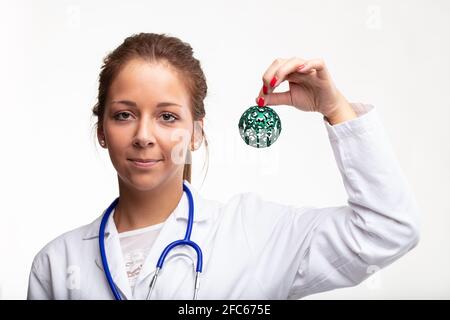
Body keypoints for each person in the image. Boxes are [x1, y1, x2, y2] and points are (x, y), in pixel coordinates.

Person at [27, 33, 420, 300]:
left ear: (196, 132)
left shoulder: (255, 233)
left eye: (167, 117)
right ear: (101, 130)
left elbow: (388, 229)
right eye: (125, 115)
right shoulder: (57, 263)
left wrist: (335, 108)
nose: (144, 135)